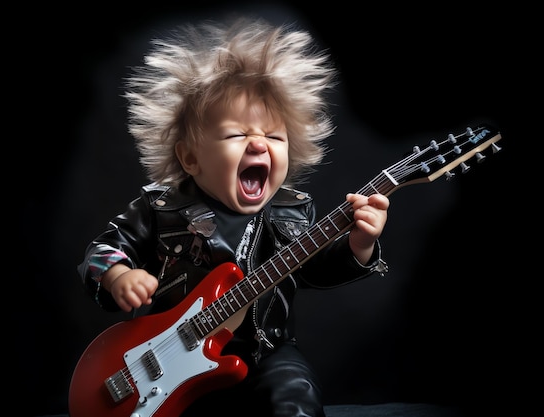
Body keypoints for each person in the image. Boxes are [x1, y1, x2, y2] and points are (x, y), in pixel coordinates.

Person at [76, 16, 392, 417]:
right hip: (167, 365)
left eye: (275, 136)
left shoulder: (294, 210)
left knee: (297, 399)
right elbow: (101, 250)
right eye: (236, 135)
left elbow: (313, 270)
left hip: (267, 353)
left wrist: (360, 244)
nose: (259, 143)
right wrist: (118, 274)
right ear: (191, 158)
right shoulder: (159, 208)